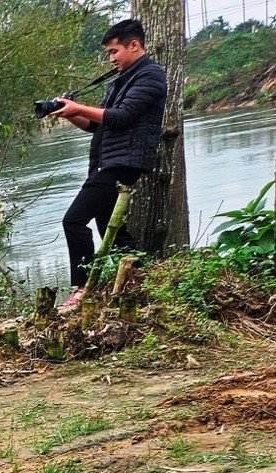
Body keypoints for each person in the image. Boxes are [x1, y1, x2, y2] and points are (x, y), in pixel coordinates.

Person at [50, 17, 168, 311]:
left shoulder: (151, 76)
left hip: (123, 162)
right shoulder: (122, 79)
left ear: (134, 45)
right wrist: (70, 113)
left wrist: (80, 107)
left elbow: (122, 117)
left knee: (74, 220)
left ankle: (82, 289)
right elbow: (99, 126)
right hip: (107, 159)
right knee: (108, 226)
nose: (112, 58)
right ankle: (147, 277)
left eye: (114, 52)